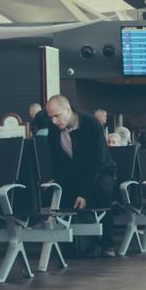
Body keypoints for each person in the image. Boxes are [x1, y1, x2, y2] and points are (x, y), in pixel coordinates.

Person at [44, 94, 118, 252]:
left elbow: (97, 164)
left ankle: (108, 243)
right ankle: (67, 244)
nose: (54, 121)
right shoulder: (53, 129)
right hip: (75, 173)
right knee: (58, 192)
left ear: (68, 109)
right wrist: (57, 181)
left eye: (57, 116)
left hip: (103, 171)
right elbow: (57, 161)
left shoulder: (92, 125)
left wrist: (84, 193)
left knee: (101, 191)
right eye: (51, 117)